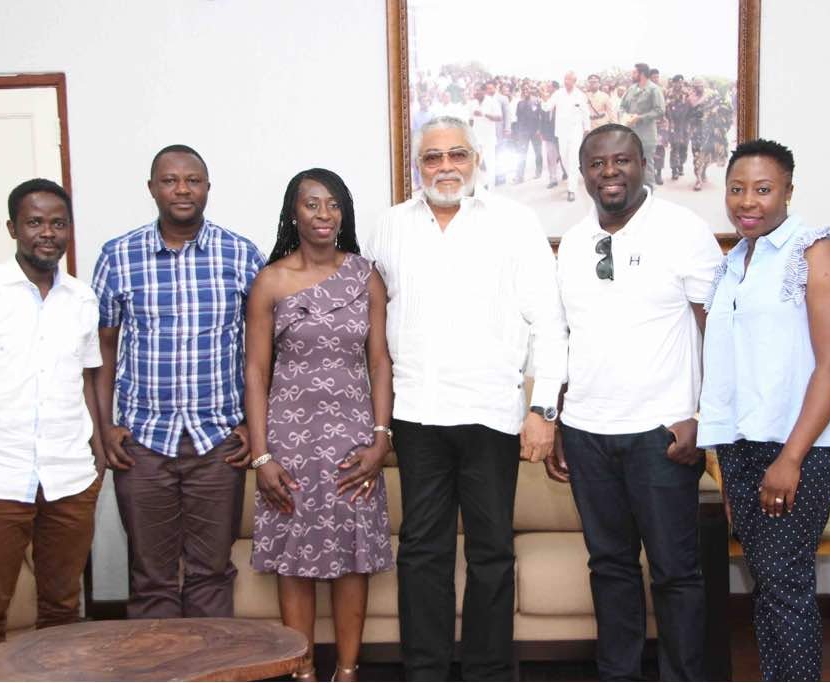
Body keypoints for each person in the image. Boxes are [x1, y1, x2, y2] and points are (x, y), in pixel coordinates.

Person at [365, 115, 567, 681]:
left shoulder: (514, 222)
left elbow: (548, 322)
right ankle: (424, 672)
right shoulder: (389, 227)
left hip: (492, 413)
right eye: (433, 157)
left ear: (477, 160)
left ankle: (487, 673)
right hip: (416, 415)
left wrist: (543, 409)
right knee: (420, 552)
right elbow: (371, 324)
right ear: (417, 167)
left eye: (457, 154)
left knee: (491, 553)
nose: (446, 167)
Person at [547, 124, 722, 680]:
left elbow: (717, 328)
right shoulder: (573, 242)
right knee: (610, 567)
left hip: (661, 433)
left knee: (675, 572)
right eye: (597, 164)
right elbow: (565, 337)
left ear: (643, 163)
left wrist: (702, 416)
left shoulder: (682, 230)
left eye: (621, 160)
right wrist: (558, 421)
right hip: (587, 432)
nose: (610, 172)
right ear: (583, 173)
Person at [698, 139, 830, 682]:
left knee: (784, 585)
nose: (748, 201)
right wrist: (724, 460)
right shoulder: (734, 263)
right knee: (769, 586)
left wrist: (790, 458)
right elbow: (731, 369)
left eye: (763, 189)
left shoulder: (816, 252)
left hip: (798, 448)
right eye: (737, 189)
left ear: (789, 191)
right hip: (744, 448)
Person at [0, 179, 103, 680]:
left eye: (58, 223)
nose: (47, 233)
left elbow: (86, 380)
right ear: (13, 228)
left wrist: (95, 459)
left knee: (62, 608)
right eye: (34, 222)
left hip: (69, 477)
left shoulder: (81, 298)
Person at [92, 145, 263, 619]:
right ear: (152, 188)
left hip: (219, 443)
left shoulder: (241, 254)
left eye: (193, 180)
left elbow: (262, 352)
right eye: (170, 180)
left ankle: (214, 661)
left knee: (212, 573)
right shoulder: (118, 256)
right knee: (152, 578)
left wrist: (254, 425)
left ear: (208, 188)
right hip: (143, 443)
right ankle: (160, 661)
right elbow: (102, 350)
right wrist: (104, 427)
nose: (182, 189)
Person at [246, 169, 394, 682]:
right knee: (294, 558)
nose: (324, 214)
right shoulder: (270, 281)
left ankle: (347, 671)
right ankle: (303, 671)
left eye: (333, 204)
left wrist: (381, 438)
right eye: (312, 204)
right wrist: (262, 455)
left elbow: (379, 361)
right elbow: (256, 371)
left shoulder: (366, 275)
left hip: (354, 439)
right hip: (290, 440)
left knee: (352, 556)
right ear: (294, 213)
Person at [542, 70, 591, 201]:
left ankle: (571, 189)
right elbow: (547, 107)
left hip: (575, 131)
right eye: (565, 79)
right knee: (564, 158)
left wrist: (587, 128)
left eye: (569, 79)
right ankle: (572, 177)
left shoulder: (580, 95)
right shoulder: (558, 94)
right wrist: (544, 97)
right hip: (561, 132)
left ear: (574, 81)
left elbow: (585, 113)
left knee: (573, 158)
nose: (566, 82)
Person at [619, 63, 665, 187]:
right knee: (630, 165)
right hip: (630, 135)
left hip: (646, 136)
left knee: (646, 165)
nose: (632, 75)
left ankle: (649, 192)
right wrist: (625, 116)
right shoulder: (631, 89)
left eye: (634, 72)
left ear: (642, 74)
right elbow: (622, 106)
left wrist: (639, 118)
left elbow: (660, 110)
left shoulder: (654, 89)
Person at [688, 78, 734, 191]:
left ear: (704, 86)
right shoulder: (690, 98)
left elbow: (725, 108)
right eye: (697, 86)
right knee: (696, 155)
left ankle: (703, 172)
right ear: (694, 87)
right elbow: (687, 114)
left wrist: (718, 116)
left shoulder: (711, 97)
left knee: (706, 154)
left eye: (701, 86)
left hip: (709, 131)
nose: (699, 88)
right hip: (696, 132)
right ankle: (698, 179)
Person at [468, 81, 503, 189]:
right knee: (474, 163)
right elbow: (471, 120)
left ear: (484, 91)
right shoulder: (472, 103)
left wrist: (483, 114)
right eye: (474, 90)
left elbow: (499, 118)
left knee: (490, 163)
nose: (475, 93)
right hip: (476, 138)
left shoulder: (492, 102)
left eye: (478, 90)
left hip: (489, 138)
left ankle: (491, 187)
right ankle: (483, 184)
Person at [513, 84, 544, 182]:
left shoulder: (537, 101)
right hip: (523, 132)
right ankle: (520, 175)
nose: (525, 90)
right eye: (523, 89)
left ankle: (538, 171)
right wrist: (518, 132)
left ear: (531, 90)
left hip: (535, 131)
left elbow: (541, 117)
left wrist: (539, 129)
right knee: (522, 154)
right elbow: (518, 119)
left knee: (538, 153)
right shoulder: (520, 103)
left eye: (527, 89)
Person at [666, 75, 692, 180]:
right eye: (677, 82)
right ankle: (674, 170)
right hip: (673, 123)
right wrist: (669, 121)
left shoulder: (687, 93)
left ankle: (681, 164)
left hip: (685, 124)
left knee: (684, 146)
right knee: (674, 146)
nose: (679, 84)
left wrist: (689, 123)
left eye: (681, 82)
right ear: (673, 83)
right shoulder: (668, 93)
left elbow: (691, 109)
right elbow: (665, 108)